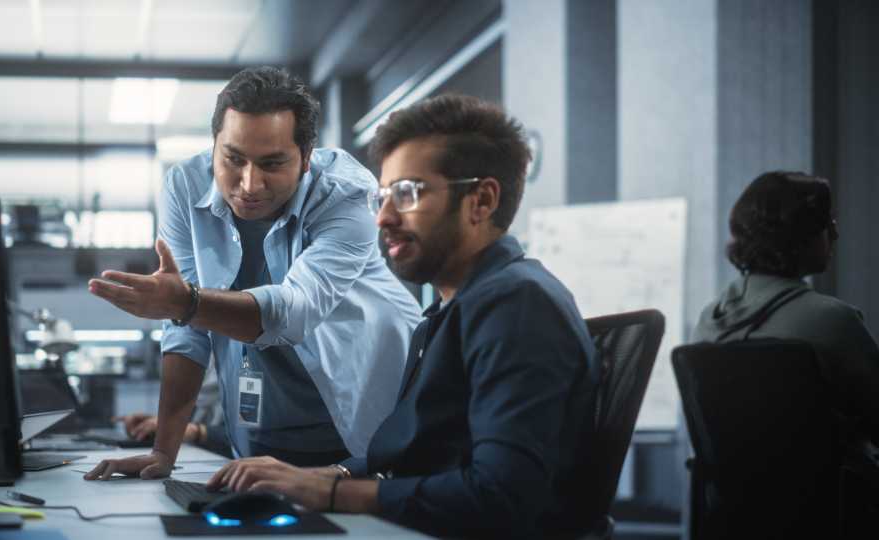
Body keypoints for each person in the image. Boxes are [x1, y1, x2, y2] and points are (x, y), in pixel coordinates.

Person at [205, 95, 600, 539]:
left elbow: (500, 496)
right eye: (384, 196)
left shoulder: (517, 305)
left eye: (409, 193)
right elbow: (414, 456)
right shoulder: (451, 309)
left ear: (482, 201)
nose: (384, 218)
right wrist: (324, 474)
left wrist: (333, 495)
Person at [84, 67, 421, 480]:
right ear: (214, 145)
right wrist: (163, 453)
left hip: (355, 427)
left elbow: (293, 313)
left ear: (307, 156)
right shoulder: (184, 187)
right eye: (233, 159)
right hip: (262, 435)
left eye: (272, 163)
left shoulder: (348, 195)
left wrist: (187, 303)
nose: (249, 183)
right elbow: (187, 330)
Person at [693, 171, 879, 440]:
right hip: (828, 481)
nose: (835, 233)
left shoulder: (707, 321)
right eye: (826, 222)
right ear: (800, 236)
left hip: (736, 483)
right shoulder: (833, 321)